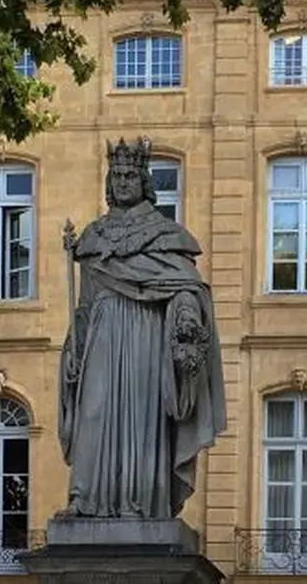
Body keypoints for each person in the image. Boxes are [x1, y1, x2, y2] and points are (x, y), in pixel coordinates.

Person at [58, 136, 226, 519]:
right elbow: (83, 305)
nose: (122, 182)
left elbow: (185, 287)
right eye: (116, 175)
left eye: (130, 175)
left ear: (144, 180)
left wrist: (186, 319)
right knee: (94, 412)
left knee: (138, 419)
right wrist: (74, 350)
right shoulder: (92, 237)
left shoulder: (166, 234)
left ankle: (138, 501)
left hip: (145, 334)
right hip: (102, 334)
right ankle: (86, 498)